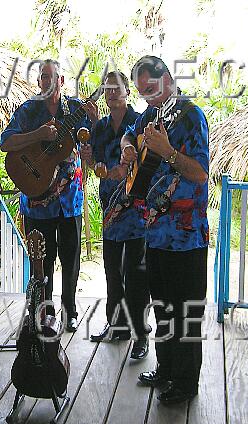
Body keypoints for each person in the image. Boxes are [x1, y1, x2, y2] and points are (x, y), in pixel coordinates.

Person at [121, 55, 210, 404]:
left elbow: (200, 172)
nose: (149, 97)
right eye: (143, 93)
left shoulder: (191, 117)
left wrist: (167, 151)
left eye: (153, 89)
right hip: (155, 231)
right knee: (162, 308)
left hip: (187, 237)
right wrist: (130, 149)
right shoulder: (151, 115)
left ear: (169, 78)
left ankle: (186, 384)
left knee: (186, 313)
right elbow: (131, 133)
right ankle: (166, 369)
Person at [1, 59, 97, 332]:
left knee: (71, 259)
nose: (47, 82)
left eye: (52, 77)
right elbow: (6, 141)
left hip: (70, 201)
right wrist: (38, 134)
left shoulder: (76, 109)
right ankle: (44, 314)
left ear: (62, 81)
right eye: (43, 77)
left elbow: (95, 144)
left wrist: (95, 120)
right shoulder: (28, 111)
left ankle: (70, 311)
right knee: (41, 260)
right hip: (37, 201)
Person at [79, 70, 150, 359]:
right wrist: (90, 160)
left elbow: (149, 163)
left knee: (136, 275)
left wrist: (127, 171)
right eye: (106, 88)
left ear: (127, 91)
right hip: (109, 208)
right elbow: (95, 162)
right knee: (112, 273)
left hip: (135, 210)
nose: (110, 93)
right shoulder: (100, 126)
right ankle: (116, 325)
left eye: (116, 88)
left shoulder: (140, 122)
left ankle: (140, 334)